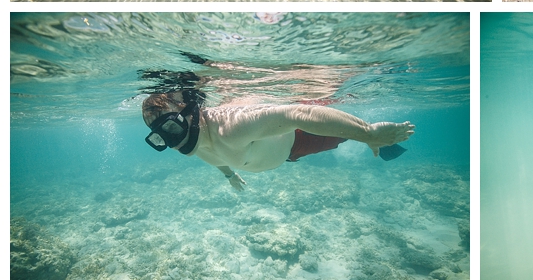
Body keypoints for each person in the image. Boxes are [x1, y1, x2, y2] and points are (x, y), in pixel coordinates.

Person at [142, 89, 414, 192]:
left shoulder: (230, 127)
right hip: (288, 155)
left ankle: (380, 140)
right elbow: (215, 158)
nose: (172, 143)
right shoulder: (198, 140)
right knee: (346, 135)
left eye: (171, 128)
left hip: (301, 137)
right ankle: (369, 136)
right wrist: (229, 176)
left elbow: (298, 114)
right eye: (160, 137)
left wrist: (367, 132)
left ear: (190, 113)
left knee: (343, 131)